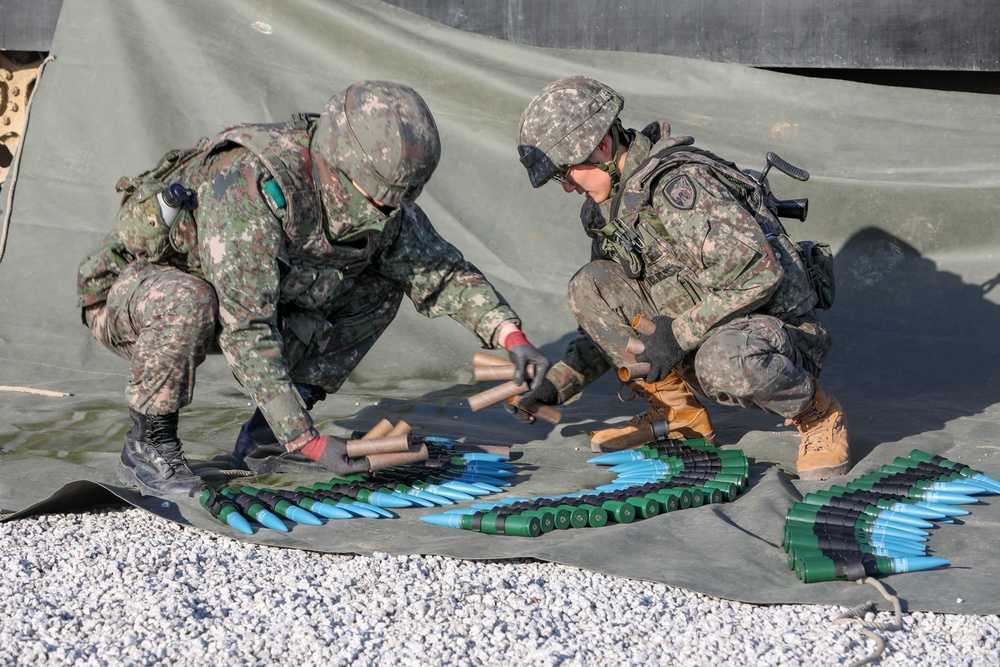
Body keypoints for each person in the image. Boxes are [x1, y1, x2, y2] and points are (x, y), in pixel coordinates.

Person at [77, 81, 550, 496]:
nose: (383, 214)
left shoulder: (379, 198)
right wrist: (309, 439)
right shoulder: (251, 183)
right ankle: (148, 444)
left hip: (249, 297)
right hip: (137, 296)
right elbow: (248, 328)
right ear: (338, 165)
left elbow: (440, 272)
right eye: (376, 196)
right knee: (190, 300)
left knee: (379, 286)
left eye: (396, 201)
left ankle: (265, 441)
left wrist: (511, 336)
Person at [509, 76, 850, 481]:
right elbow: (609, 321)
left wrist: (678, 335)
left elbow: (762, 274)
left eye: (566, 172)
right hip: (699, 330)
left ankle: (817, 413)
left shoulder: (679, 186)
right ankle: (679, 416)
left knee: (721, 362)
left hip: (775, 336)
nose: (566, 187)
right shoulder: (605, 211)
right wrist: (556, 385)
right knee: (590, 284)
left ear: (601, 146)